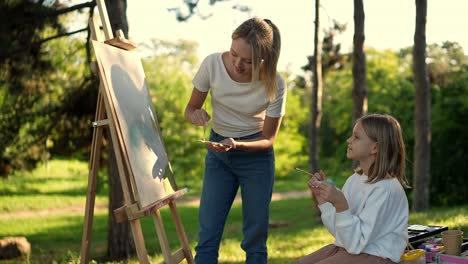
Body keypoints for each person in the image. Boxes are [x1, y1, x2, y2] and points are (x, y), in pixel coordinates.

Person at [184, 17, 286, 264]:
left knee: (255, 237)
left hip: (256, 158)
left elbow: (268, 139)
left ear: (264, 59)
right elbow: (190, 109)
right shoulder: (211, 64)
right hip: (218, 154)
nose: (238, 64)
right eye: (233, 54)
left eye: (248, 61)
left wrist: (238, 145)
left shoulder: (276, 83)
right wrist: (195, 115)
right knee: (208, 233)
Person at [295, 114, 410, 264]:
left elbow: (356, 243)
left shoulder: (385, 189)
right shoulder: (354, 180)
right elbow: (341, 234)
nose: (349, 140)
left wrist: (341, 204)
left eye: (356, 137)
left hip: (376, 256)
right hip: (349, 249)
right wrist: (324, 202)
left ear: (375, 147)